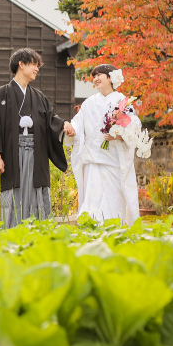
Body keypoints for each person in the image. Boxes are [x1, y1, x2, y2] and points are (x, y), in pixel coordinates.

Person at [0, 48, 76, 228]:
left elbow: (50, 119)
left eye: (38, 65)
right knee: (14, 191)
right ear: (20, 65)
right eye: (33, 64)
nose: (37, 68)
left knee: (36, 191)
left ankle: (38, 230)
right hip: (11, 154)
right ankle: (12, 230)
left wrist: (63, 124)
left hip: (36, 153)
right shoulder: (1, 95)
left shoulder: (39, 97)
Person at [65, 64, 141, 225]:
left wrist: (119, 135)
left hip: (113, 162)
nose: (96, 78)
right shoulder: (89, 103)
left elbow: (134, 127)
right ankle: (90, 233)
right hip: (93, 163)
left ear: (111, 78)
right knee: (92, 202)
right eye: (94, 76)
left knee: (112, 203)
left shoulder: (123, 102)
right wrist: (72, 130)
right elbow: (78, 123)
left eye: (100, 75)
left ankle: (115, 234)